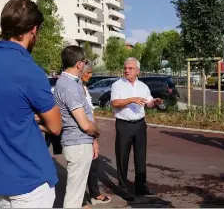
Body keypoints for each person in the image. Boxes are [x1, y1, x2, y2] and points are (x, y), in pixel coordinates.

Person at [0, 0, 62, 208]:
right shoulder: (29, 71)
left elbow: (2, 112)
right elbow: (56, 127)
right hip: (31, 182)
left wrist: (28, 117)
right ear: (34, 30)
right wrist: (35, 119)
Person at [110, 57, 163, 201]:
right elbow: (115, 103)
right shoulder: (117, 85)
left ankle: (141, 187)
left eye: (130, 68)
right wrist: (131, 99)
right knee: (122, 157)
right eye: (125, 68)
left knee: (140, 157)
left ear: (137, 71)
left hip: (140, 125)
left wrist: (155, 103)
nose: (126, 70)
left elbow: (149, 103)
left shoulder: (143, 86)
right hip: (124, 125)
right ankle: (123, 188)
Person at [53, 46, 100, 208]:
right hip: (78, 144)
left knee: (76, 193)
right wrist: (96, 132)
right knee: (74, 197)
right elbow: (85, 125)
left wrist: (92, 140)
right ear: (79, 64)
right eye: (85, 62)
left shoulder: (69, 82)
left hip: (78, 142)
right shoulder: (69, 86)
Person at [80, 62, 112, 205]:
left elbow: (91, 112)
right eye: (88, 72)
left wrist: (94, 135)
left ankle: (94, 194)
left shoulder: (84, 88)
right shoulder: (74, 88)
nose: (91, 75)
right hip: (80, 133)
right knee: (80, 169)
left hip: (89, 131)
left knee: (94, 162)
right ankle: (80, 200)